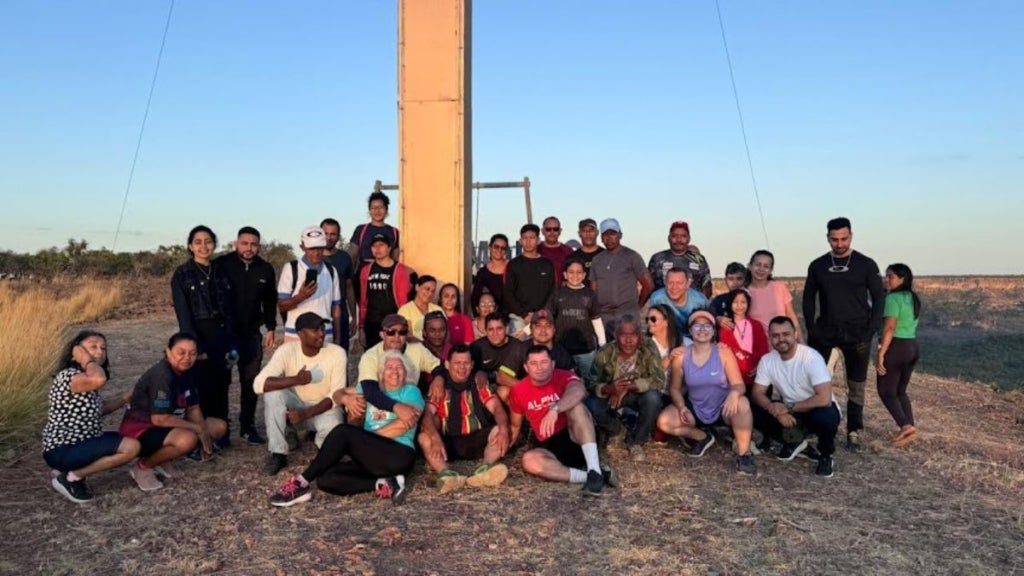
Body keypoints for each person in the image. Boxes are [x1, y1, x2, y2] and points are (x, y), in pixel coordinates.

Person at [268, 351, 424, 507]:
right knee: (325, 479)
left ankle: (300, 483)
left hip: (398, 454)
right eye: (389, 367)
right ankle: (387, 483)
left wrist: (363, 441)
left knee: (344, 432)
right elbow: (337, 394)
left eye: (399, 367)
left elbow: (404, 424)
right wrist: (346, 398)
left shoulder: (411, 392)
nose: (395, 371)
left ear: (406, 372)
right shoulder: (372, 390)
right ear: (381, 373)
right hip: (372, 458)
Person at [802, 217, 883, 452]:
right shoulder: (817, 265)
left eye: (844, 239)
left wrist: (871, 330)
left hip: (857, 333)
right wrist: (811, 326)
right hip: (825, 331)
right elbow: (808, 297)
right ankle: (815, 426)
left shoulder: (866, 264)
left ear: (851, 236)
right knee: (815, 381)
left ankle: (853, 430)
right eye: (834, 239)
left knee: (856, 385)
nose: (839, 244)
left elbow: (879, 297)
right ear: (827, 238)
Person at [119, 333, 229, 492]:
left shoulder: (187, 371)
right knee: (188, 439)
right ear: (168, 352)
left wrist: (203, 431)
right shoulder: (162, 375)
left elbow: (193, 407)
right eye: (181, 352)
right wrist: (196, 428)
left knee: (217, 427)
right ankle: (143, 466)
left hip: (168, 425)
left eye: (192, 353)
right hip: (142, 429)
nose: (187, 358)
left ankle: (165, 459)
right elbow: (159, 419)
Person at [43, 331, 139, 503]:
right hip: (64, 447)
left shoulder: (84, 380)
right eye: (92, 346)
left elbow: (101, 409)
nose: (100, 351)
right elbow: (98, 378)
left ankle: (69, 470)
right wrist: (86, 359)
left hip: (80, 444)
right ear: (76, 351)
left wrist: (126, 397)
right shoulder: (69, 376)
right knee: (131, 447)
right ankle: (72, 477)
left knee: (127, 439)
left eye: (103, 348)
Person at [509, 346, 617, 497]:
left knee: (576, 406)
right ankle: (594, 476)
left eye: (544, 362)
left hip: (577, 436)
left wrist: (555, 409)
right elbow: (515, 425)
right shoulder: (518, 390)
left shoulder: (563, 376)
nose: (539, 368)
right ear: (526, 368)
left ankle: (593, 466)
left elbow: (579, 391)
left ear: (552, 364)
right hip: (549, 445)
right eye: (533, 363)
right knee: (528, 460)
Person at [657, 311, 756, 475]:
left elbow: (739, 384)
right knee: (664, 422)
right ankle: (702, 436)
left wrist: (734, 394)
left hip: (724, 408)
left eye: (707, 325)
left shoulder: (723, 352)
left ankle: (744, 454)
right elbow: (674, 388)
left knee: (743, 403)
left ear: (713, 330)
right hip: (695, 408)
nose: (702, 329)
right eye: (697, 325)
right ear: (690, 329)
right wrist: (682, 408)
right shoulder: (681, 356)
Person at [254, 313, 347, 476]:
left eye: (322, 328)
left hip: (324, 410)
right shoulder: (287, 350)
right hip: (295, 411)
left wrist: (305, 414)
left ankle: (321, 451)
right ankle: (278, 453)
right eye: (315, 330)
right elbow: (258, 384)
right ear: (300, 334)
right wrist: (295, 379)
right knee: (272, 394)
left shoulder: (337, 353)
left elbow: (336, 395)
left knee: (334, 428)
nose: (321, 333)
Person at [171, 225, 237, 446]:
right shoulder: (182, 274)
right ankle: (199, 438)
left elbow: (229, 308)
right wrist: (193, 347)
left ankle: (221, 433)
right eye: (198, 242)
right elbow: (183, 313)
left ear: (214, 244)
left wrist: (231, 342)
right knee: (200, 388)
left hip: (222, 336)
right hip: (198, 336)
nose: (203, 246)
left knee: (222, 384)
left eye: (208, 241)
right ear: (190, 246)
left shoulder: (221, 271)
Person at [751, 317, 841, 478]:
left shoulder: (811, 357)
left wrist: (788, 407)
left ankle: (826, 455)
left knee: (826, 416)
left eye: (786, 334)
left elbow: (824, 398)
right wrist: (774, 408)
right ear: (770, 337)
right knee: (753, 409)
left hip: (815, 408)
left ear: (795, 334)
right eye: (775, 335)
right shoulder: (767, 360)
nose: (781, 339)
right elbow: (757, 393)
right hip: (791, 411)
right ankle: (796, 442)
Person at [417, 345, 511, 493]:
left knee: (500, 428)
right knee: (424, 437)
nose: (462, 367)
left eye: (466, 363)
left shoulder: (479, 382)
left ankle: (484, 469)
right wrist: (435, 438)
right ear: (447, 365)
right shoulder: (439, 386)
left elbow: (497, 408)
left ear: (472, 365)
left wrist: (505, 430)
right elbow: (427, 415)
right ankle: (447, 474)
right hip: (448, 442)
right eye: (457, 363)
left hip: (477, 438)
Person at [214, 226, 277, 445]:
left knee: (250, 382)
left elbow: (270, 301)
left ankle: (247, 427)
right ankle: (221, 430)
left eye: (254, 244)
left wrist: (270, 327)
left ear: (259, 246)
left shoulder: (265, 269)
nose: (249, 248)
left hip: (251, 335)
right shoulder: (221, 265)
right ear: (236, 243)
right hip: (225, 335)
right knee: (222, 382)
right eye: (245, 243)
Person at [586, 316, 666, 462]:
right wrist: (607, 389)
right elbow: (590, 381)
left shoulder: (648, 348)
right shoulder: (606, 351)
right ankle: (616, 431)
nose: (629, 340)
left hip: (636, 395)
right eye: (623, 335)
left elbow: (659, 379)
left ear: (640, 336)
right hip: (611, 397)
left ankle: (636, 441)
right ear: (616, 336)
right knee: (591, 404)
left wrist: (630, 387)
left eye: (633, 335)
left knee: (653, 398)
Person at [876, 263, 922, 447]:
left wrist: (881, 352)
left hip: (896, 346)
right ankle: (909, 428)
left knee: (886, 391)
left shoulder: (893, 299)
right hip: (912, 346)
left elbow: (889, 328)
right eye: (886, 276)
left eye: (891, 276)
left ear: (902, 279)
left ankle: (904, 425)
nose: (887, 279)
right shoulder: (912, 297)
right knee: (900, 391)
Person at [277, 226, 343, 346]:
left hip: (325, 335)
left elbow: (336, 308)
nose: (317, 252)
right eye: (311, 248)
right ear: (303, 247)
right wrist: (300, 297)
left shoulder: (331, 271)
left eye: (320, 248)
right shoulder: (291, 268)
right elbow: (281, 306)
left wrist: (337, 338)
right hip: (296, 336)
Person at [589, 218, 655, 334]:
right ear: (601, 237)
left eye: (613, 233)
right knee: (605, 350)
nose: (609, 238)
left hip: (627, 315)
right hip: (604, 317)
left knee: (629, 348)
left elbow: (648, 285)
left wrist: (637, 306)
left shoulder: (632, 256)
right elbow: (593, 289)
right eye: (606, 234)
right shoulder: (597, 259)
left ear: (620, 235)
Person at [547, 260, 606, 384]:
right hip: (563, 349)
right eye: (571, 272)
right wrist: (525, 331)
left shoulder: (590, 294)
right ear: (565, 274)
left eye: (579, 272)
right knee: (563, 382)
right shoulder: (557, 294)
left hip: (586, 350)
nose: (575, 275)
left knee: (589, 382)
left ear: (584, 275)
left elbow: (596, 320)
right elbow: (546, 318)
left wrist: (602, 344)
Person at [358, 233, 412, 349]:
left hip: (393, 324)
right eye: (374, 246)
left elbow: (403, 302)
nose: (377, 249)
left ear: (389, 247)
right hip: (372, 324)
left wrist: (404, 327)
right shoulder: (366, 270)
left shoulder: (400, 270)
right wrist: (361, 327)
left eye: (381, 245)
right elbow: (363, 300)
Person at [504, 223, 556, 330]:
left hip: (543, 317)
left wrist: (542, 313)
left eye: (532, 238)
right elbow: (508, 293)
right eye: (525, 238)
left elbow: (553, 291)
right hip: (519, 318)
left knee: (542, 346)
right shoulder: (513, 264)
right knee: (519, 346)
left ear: (538, 240)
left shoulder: (547, 264)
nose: (528, 241)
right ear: (520, 240)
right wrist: (524, 314)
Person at [716, 289, 769, 389]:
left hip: (758, 378)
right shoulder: (726, 328)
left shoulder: (756, 325)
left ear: (748, 304)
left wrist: (759, 366)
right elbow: (725, 353)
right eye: (735, 302)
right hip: (735, 380)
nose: (739, 306)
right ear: (730, 304)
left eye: (743, 302)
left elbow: (763, 349)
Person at [745, 250, 802, 342]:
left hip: (783, 345)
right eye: (758, 265)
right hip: (758, 347)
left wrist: (801, 342)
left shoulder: (779, 287)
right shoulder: (744, 293)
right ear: (750, 266)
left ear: (771, 270)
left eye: (766, 266)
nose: (761, 269)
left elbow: (792, 316)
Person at [469, 312, 527, 401]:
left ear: (506, 329)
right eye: (491, 329)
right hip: (484, 390)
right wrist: (478, 374)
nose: (495, 333)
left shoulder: (519, 347)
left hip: (514, 388)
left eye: (499, 329)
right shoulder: (476, 347)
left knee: (506, 390)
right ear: (485, 331)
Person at [647, 221, 712, 297]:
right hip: (663, 306)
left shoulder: (699, 260)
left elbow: (707, 287)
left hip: (693, 307)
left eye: (683, 236)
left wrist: (700, 305)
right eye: (674, 236)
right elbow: (649, 286)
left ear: (689, 239)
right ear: (668, 238)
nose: (679, 240)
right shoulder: (657, 259)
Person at [321, 218, 357, 351]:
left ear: (338, 236)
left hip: (341, 315)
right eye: (326, 233)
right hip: (320, 316)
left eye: (333, 234)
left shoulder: (344, 258)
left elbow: (349, 288)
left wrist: (354, 316)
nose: (329, 238)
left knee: (340, 354)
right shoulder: (312, 258)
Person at [647, 267, 710, 339]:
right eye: (670, 282)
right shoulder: (657, 298)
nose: (674, 287)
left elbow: (708, 327)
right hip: (667, 338)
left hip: (694, 339)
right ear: (665, 282)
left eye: (679, 283)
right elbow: (653, 325)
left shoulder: (700, 301)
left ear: (688, 284)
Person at [351, 191, 400, 263]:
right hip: (363, 273)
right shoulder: (361, 230)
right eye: (374, 208)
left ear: (386, 210)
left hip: (386, 273)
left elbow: (395, 260)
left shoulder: (394, 232)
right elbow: (352, 256)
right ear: (369, 211)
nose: (377, 211)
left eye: (380, 207)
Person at [470, 233, 510, 313]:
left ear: (506, 250)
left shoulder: (513, 268)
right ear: (490, 247)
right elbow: (475, 298)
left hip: (513, 316)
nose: (499, 250)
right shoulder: (482, 273)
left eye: (503, 248)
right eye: (496, 246)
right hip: (491, 318)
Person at [397, 275, 443, 340]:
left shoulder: (437, 309)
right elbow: (407, 335)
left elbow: (445, 332)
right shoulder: (405, 310)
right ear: (417, 287)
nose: (430, 293)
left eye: (433, 291)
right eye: (427, 289)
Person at [646, 303, 684, 381]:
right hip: (655, 390)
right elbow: (652, 374)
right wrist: (669, 357)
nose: (649, 322)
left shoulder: (685, 342)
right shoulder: (645, 345)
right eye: (647, 319)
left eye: (653, 319)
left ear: (666, 322)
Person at [564, 218, 604, 286]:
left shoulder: (606, 256)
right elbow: (565, 283)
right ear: (579, 233)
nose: (588, 234)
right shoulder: (572, 258)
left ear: (597, 232)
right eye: (584, 231)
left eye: (591, 230)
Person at [537, 216, 575, 280]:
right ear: (543, 231)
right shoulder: (535, 250)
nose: (552, 232)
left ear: (560, 231)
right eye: (548, 229)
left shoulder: (568, 252)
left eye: (555, 229)